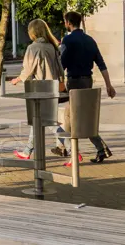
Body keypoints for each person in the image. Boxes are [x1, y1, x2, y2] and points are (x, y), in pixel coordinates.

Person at [59, 11, 116, 163]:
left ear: (68, 23)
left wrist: (58, 82)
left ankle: (70, 150)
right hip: (87, 81)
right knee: (82, 117)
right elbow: (101, 64)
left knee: (71, 118)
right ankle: (98, 149)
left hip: (74, 83)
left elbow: (61, 65)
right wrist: (109, 85)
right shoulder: (90, 40)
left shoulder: (67, 40)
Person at [12, 19, 68, 161]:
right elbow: (60, 69)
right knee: (38, 120)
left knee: (49, 123)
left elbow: (28, 70)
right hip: (53, 88)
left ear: (33, 32)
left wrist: (18, 79)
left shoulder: (33, 48)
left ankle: (73, 149)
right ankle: (27, 151)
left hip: (40, 89)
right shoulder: (51, 47)